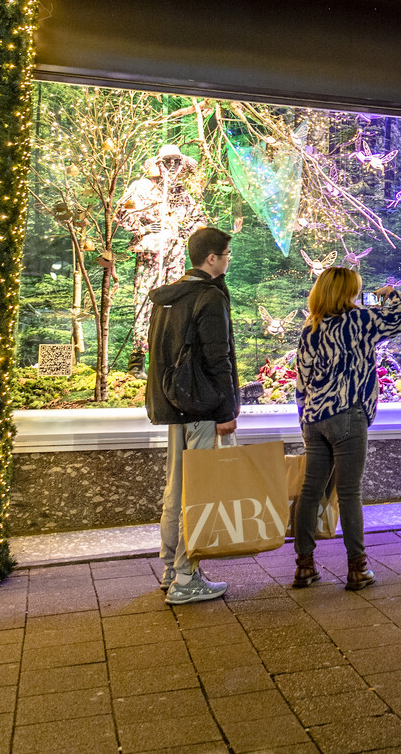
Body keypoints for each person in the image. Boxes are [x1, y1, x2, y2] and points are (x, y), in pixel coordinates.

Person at [290, 267, 401, 590]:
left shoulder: (310, 330)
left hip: (316, 419)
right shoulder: (361, 322)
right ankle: (357, 569)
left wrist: (305, 420)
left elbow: (300, 382)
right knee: (349, 493)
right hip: (348, 415)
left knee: (310, 493)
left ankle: (304, 566)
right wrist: (390, 294)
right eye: (355, 292)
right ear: (348, 294)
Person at [145, 226, 241, 605]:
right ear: (212, 258)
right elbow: (219, 358)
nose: (229, 260)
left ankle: (170, 567)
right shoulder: (208, 297)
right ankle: (187, 578)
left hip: (173, 404)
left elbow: (159, 356)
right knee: (198, 491)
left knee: (177, 488)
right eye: (227, 254)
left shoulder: (168, 298)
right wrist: (227, 410)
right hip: (202, 408)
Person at [119, 144, 206, 375]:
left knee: (174, 303)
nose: (172, 166)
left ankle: (168, 358)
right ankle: (138, 358)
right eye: (167, 161)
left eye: (176, 161)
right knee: (147, 301)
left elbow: (198, 219)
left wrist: (183, 232)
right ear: (158, 163)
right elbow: (122, 212)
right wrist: (143, 229)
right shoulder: (141, 188)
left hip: (175, 255)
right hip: (151, 254)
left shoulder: (182, 193)